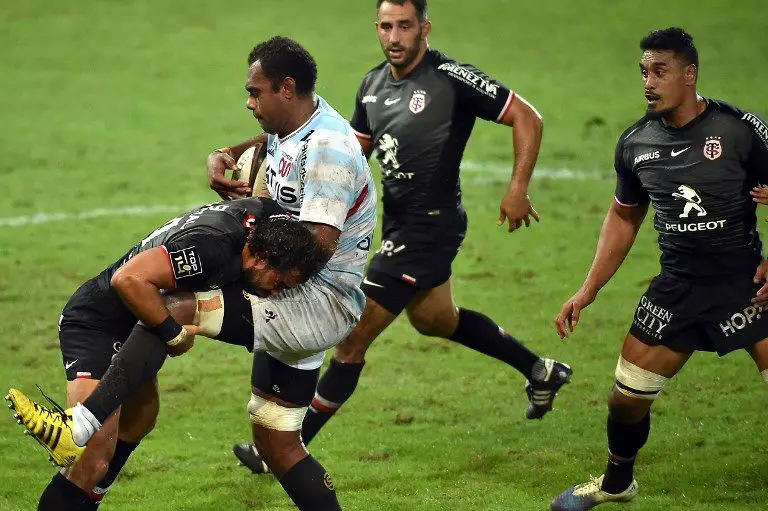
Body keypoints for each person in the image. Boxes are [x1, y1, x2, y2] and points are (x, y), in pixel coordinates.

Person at [11, 36, 377, 511]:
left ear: (286, 88)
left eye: (255, 92)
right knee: (277, 442)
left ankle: (79, 426)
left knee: (175, 307)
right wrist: (225, 153)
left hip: (313, 301)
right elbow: (276, 145)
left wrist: (237, 262)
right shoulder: (300, 122)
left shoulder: (330, 151)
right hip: (296, 291)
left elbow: (315, 251)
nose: (249, 103)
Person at [217, 0, 572, 474]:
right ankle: (540, 370)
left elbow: (527, 117)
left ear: (424, 28)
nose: (394, 37)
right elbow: (343, 149)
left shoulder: (451, 78)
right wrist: (241, 150)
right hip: (397, 224)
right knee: (435, 319)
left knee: (351, 341)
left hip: (430, 228)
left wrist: (518, 188)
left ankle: (279, 449)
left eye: (404, 26)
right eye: (386, 26)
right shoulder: (372, 86)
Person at [550, 28, 768, 511]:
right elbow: (624, 217)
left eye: (660, 71)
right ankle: (617, 483)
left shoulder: (739, 129)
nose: (648, 82)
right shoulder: (636, 143)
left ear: (689, 75)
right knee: (626, 399)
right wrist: (588, 290)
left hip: (747, 284)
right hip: (679, 289)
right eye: (644, 72)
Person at [7, 196, 322, 509]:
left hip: (136, 324)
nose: (276, 293)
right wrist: (174, 335)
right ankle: (75, 429)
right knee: (93, 457)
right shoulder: (211, 247)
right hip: (97, 324)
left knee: (141, 417)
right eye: (280, 283)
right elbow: (127, 279)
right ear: (262, 257)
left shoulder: (266, 220)